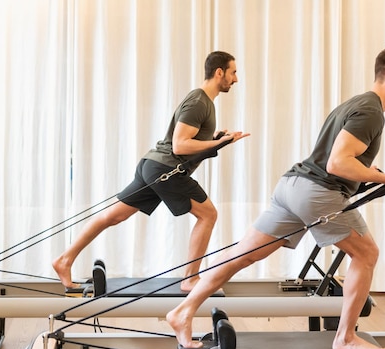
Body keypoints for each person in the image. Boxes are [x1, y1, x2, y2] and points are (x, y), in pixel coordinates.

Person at [166, 46, 385, 349]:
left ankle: (182, 311)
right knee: (367, 254)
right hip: (316, 192)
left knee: (242, 255)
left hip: (292, 186)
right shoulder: (372, 112)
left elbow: (339, 160)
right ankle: (344, 337)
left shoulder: (357, 104)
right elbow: (337, 164)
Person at [53, 51, 249, 290]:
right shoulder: (199, 102)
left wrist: (219, 139)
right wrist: (217, 143)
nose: (236, 79)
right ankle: (190, 279)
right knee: (208, 214)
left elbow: (191, 142)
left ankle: (64, 259)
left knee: (114, 215)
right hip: (165, 169)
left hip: (154, 165)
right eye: (233, 72)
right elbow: (180, 145)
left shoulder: (204, 102)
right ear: (220, 72)